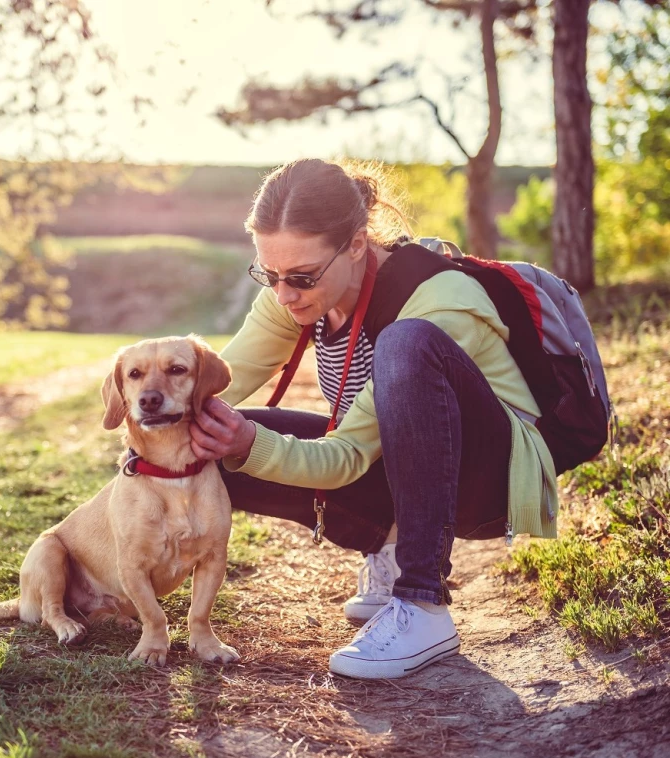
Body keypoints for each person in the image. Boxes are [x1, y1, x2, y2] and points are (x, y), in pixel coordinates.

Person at [188, 158, 559, 680]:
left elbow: (345, 457)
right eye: (269, 275)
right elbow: (211, 386)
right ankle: (388, 545)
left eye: (301, 276)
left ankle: (423, 602)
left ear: (357, 245)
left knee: (403, 345)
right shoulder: (295, 295)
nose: (284, 294)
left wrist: (252, 444)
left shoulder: (437, 302)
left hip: (488, 481)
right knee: (201, 437)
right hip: (396, 464)